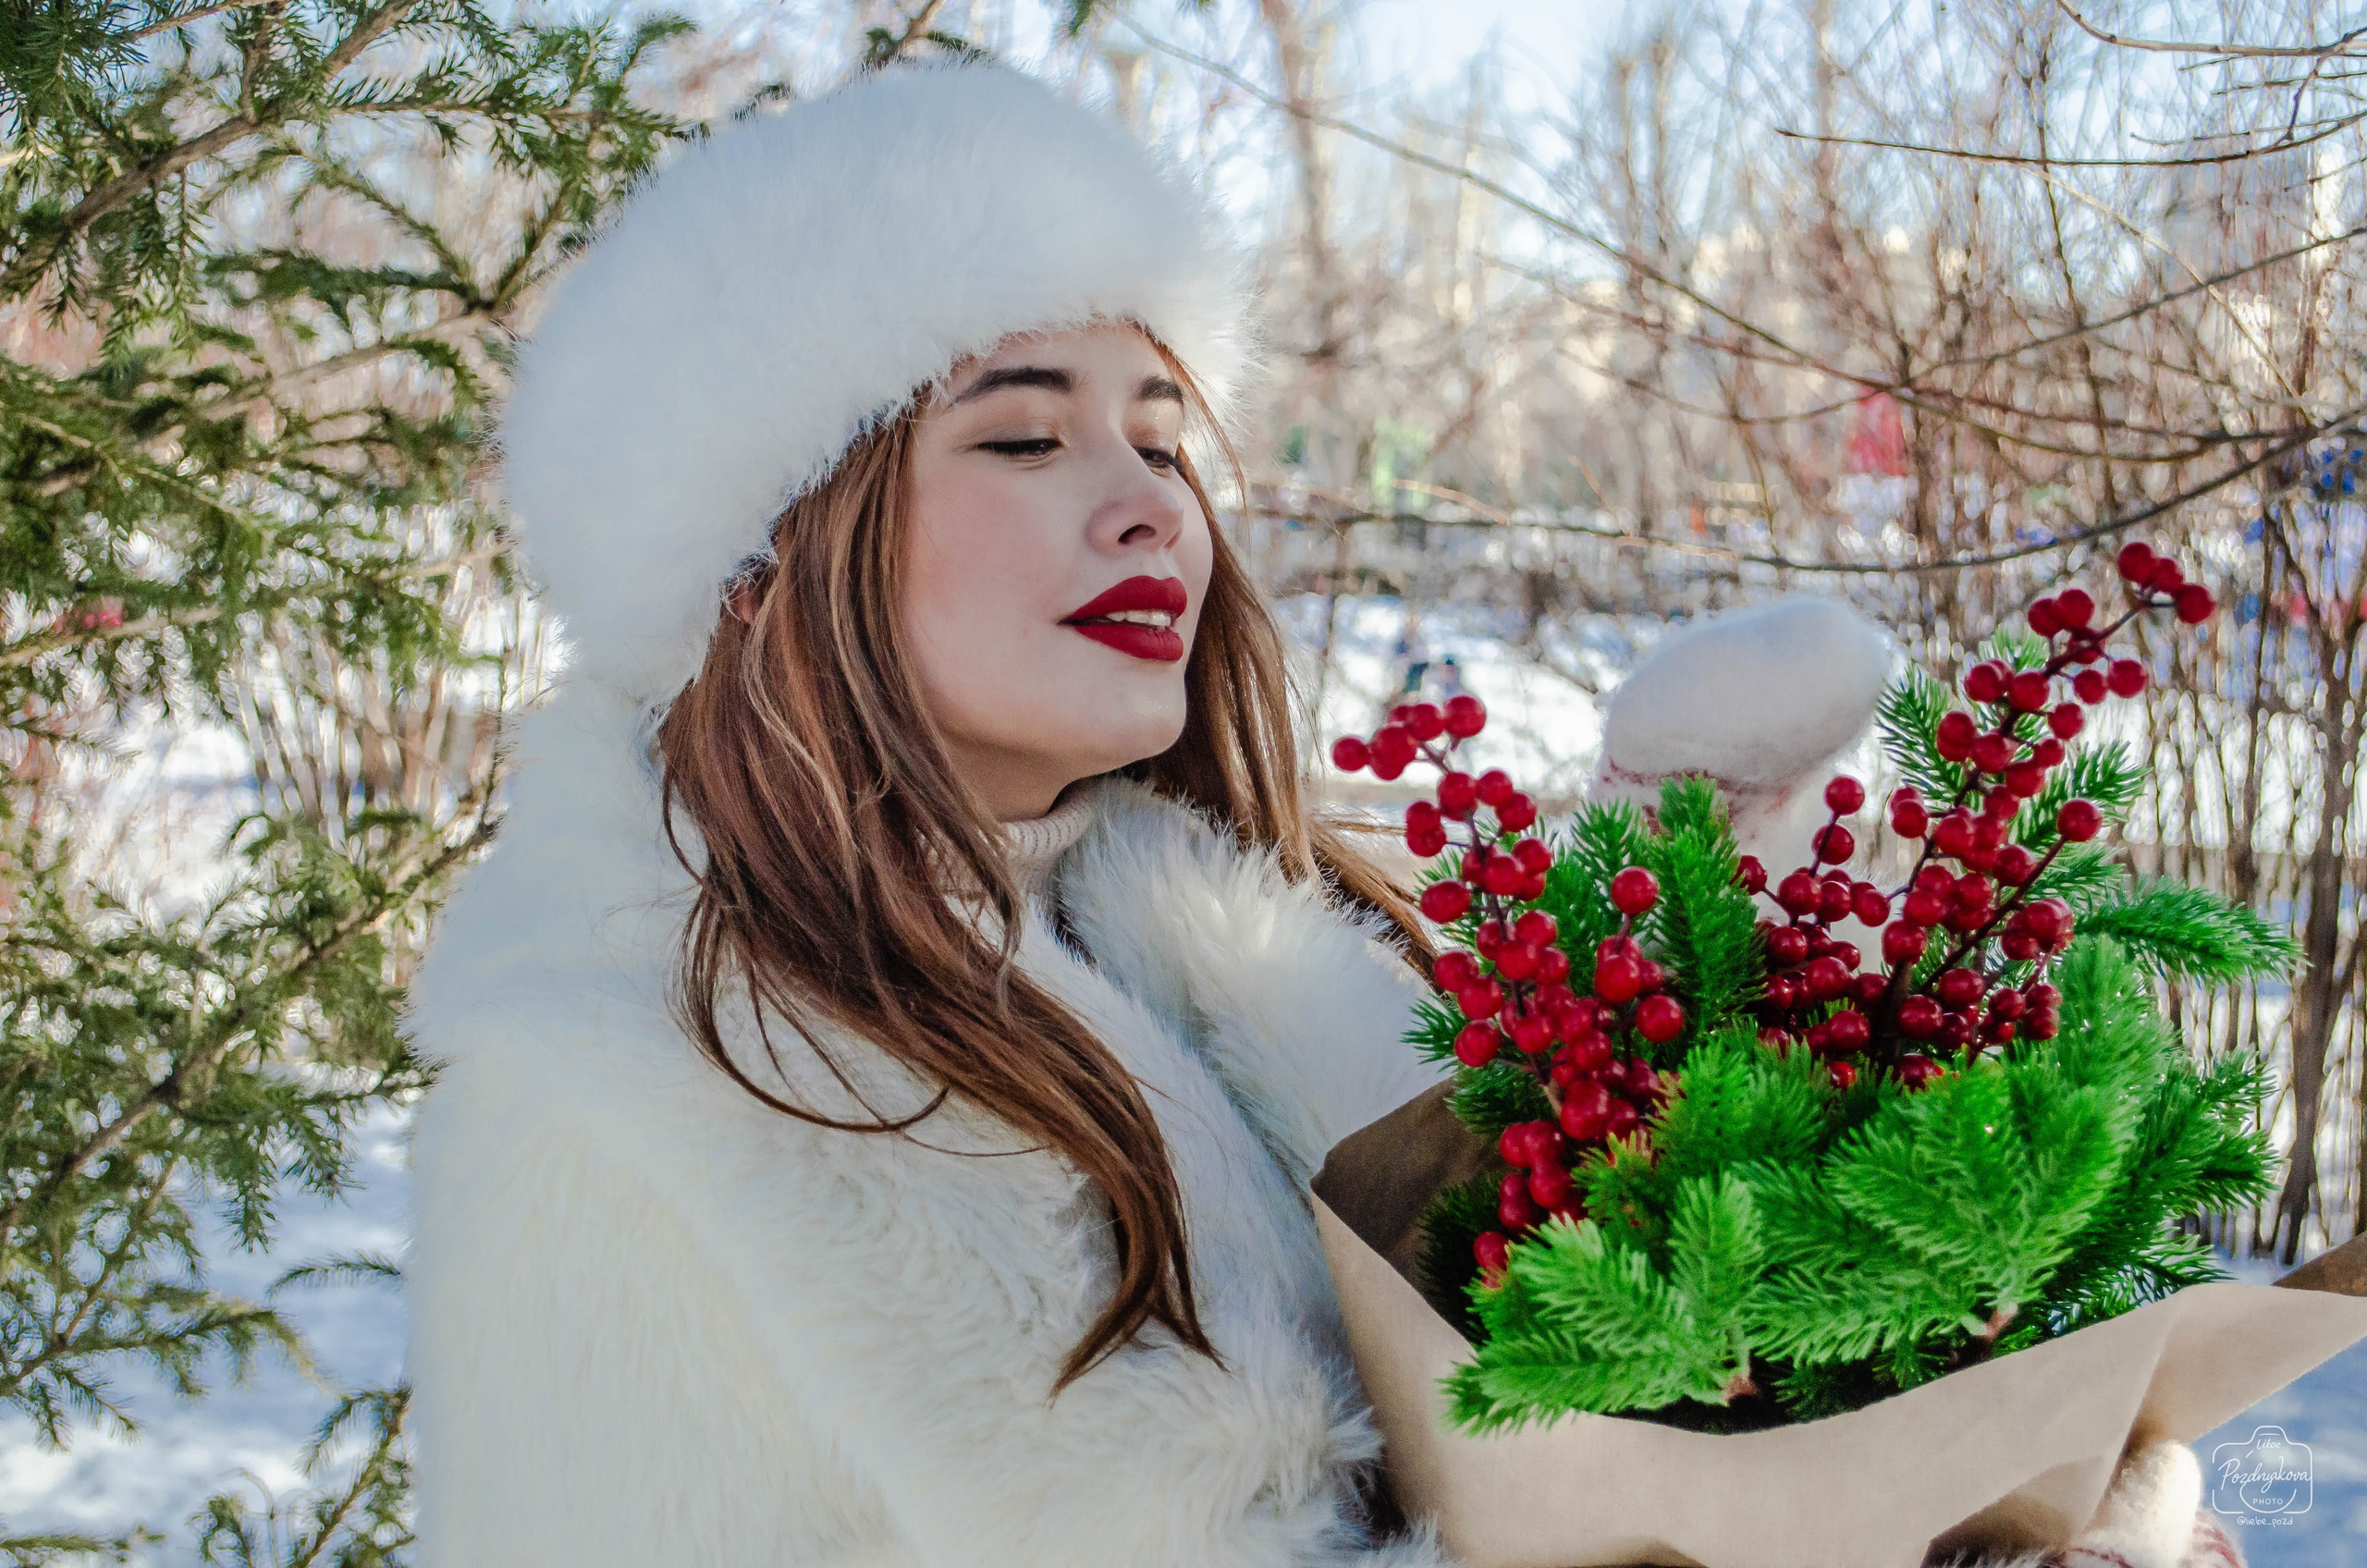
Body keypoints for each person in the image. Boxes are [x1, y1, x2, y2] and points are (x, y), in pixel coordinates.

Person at [405, 62, 2237, 1568]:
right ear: (762, 566)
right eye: (1025, 435)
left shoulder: (1210, 936)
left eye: (1160, 435)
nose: (1150, 503)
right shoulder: (645, 1088)